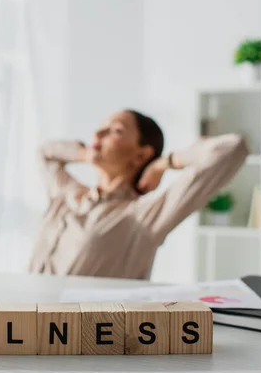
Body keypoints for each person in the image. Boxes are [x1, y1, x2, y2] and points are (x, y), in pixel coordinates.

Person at [27, 109, 248, 279]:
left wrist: (163, 163)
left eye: (115, 130)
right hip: (20, 323)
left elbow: (233, 148)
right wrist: (85, 153)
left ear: (141, 155)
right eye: (101, 127)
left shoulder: (143, 216)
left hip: (78, 335)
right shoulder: (66, 193)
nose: (97, 133)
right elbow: (45, 153)